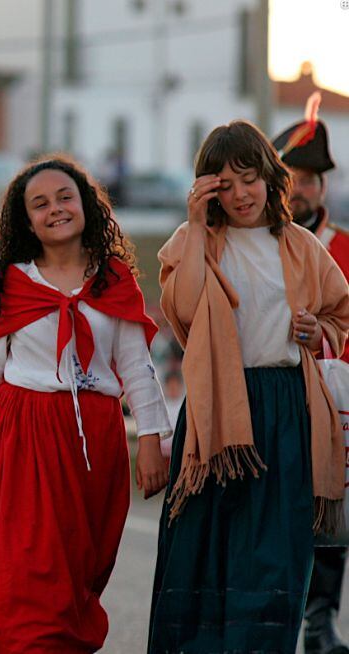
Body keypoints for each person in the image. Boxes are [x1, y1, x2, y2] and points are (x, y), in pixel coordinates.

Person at [0, 155, 173, 653]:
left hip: (93, 446)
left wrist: (152, 440)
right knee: (28, 578)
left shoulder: (114, 280)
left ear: (85, 205)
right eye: (40, 203)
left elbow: (137, 366)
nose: (55, 209)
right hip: (20, 439)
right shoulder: (12, 283)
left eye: (64, 197)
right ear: (26, 220)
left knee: (79, 576)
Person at [148, 120, 349, 653]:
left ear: (270, 178)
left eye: (249, 179)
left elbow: (338, 315)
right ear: (206, 188)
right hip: (217, 409)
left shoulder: (302, 245)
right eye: (225, 183)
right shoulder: (194, 242)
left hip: (286, 408)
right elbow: (185, 311)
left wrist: (316, 330)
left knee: (273, 555)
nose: (240, 195)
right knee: (205, 550)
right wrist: (194, 222)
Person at [273, 94, 349, 654]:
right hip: (270, 395)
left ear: (324, 186)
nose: (299, 188)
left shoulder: (345, 248)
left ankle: (319, 621)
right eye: (290, 176)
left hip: (333, 400)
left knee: (330, 510)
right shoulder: (256, 245)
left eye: (309, 178)